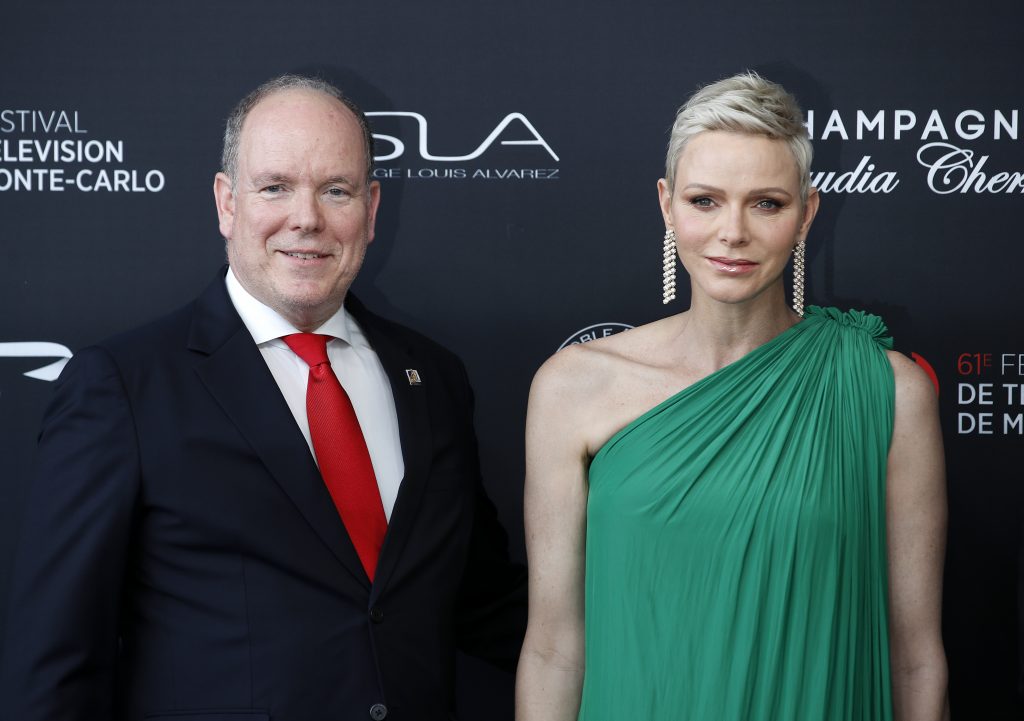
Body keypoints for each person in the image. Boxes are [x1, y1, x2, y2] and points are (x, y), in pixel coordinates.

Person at [1, 74, 526, 721]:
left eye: (336, 190)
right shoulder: (123, 387)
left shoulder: (435, 380)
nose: (306, 218)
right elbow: (55, 663)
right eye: (275, 187)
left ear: (372, 208)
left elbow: (489, 604)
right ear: (226, 203)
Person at [516, 72, 948, 721]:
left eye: (766, 203)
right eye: (705, 200)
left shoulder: (886, 391)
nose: (733, 233)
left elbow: (914, 656)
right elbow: (554, 649)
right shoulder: (572, 387)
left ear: (808, 212)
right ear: (667, 205)